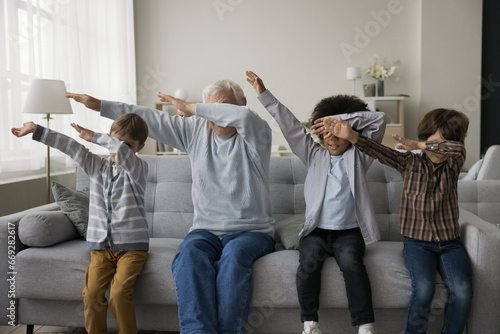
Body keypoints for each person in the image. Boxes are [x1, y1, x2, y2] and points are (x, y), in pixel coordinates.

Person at [66, 77, 275, 334]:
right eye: (210, 109)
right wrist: (101, 105)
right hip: (205, 230)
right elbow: (150, 118)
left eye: (223, 108)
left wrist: (191, 107)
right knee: (188, 256)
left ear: (242, 104)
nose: (217, 116)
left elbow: (239, 117)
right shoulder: (196, 130)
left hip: (251, 231)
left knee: (233, 259)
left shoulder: (256, 132)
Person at [246, 71, 385, 334]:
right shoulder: (313, 154)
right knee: (307, 268)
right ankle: (310, 323)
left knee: (353, 266)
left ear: (348, 130)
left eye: (337, 134)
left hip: (349, 232)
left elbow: (379, 119)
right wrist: (264, 95)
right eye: (326, 134)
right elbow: (288, 124)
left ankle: (365, 326)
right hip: (316, 232)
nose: (331, 140)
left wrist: (340, 122)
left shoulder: (361, 155)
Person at [316, 108, 473, 334]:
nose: (439, 148)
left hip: (450, 243)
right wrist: (351, 136)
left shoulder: (453, 163)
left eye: (446, 141)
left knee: (463, 290)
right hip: (417, 243)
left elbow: (456, 148)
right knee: (424, 289)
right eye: (435, 141)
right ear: (425, 135)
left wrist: (419, 146)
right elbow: (377, 150)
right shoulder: (409, 163)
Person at [11, 113, 150, 334]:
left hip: (132, 249)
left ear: (139, 147)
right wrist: (37, 129)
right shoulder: (97, 167)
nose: (117, 148)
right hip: (100, 250)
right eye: (114, 141)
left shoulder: (138, 169)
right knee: (92, 294)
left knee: (118, 293)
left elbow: (122, 152)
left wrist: (97, 136)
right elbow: (72, 147)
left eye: (127, 144)